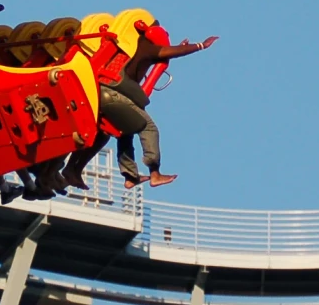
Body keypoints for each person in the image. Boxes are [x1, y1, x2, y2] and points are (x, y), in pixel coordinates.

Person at [78, 25, 218, 190]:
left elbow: (167, 52)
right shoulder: (148, 48)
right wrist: (200, 45)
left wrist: (178, 46)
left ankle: (130, 176)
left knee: (126, 130)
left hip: (100, 90)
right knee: (149, 128)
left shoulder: (130, 45)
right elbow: (169, 52)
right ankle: (155, 174)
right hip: (115, 94)